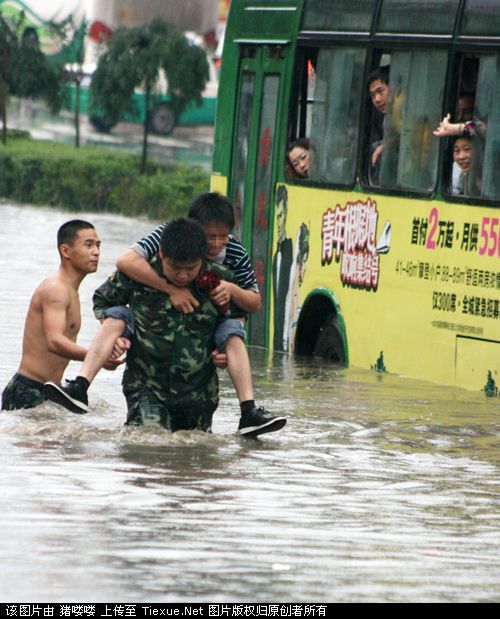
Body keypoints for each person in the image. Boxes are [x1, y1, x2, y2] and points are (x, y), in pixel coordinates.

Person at [45, 195, 286, 437]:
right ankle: (80, 386)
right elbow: (105, 299)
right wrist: (115, 335)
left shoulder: (220, 279)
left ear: (202, 258)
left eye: (190, 269)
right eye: (175, 268)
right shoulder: (140, 272)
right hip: (146, 387)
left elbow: (244, 310)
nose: (182, 276)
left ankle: (248, 410)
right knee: (149, 441)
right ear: (161, 255)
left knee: (194, 454)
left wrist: (224, 349)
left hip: (198, 393)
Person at [1, 220, 120, 411]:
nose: (96, 252)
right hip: (28, 390)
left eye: (98, 245)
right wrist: (97, 357)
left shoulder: (70, 291)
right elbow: (54, 341)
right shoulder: (56, 290)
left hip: (51, 392)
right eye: (88, 245)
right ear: (66, 251)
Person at [272, 185, 293, 353]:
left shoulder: (291, 253)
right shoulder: (275, 257)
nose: (278, 222)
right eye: (276, 215)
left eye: (281, 215)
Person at [283, 223, 310, 353]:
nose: (304, 269)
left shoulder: (298, 294)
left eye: (306, 261)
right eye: (303, 262)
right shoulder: (294, 297)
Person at [367, 65, 390, 178]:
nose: (377, 99)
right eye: (372, 95)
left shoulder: (409, 118)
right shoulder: (383, 119)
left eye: (380, 91)